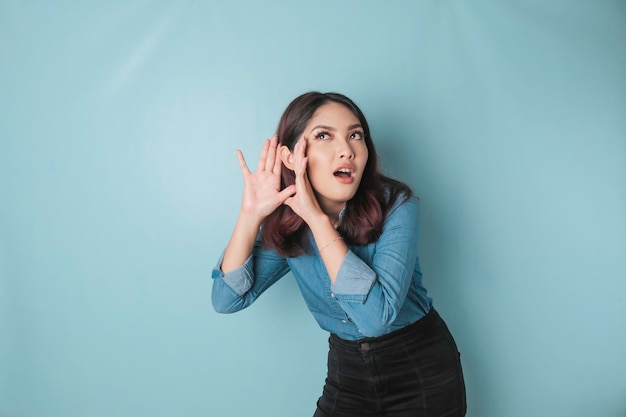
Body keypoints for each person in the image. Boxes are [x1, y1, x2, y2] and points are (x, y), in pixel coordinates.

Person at [211, 92, 466, 416]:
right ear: (290, 157)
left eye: (355, 135)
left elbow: (375, 318)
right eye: (323, 136)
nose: (346, 149)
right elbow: (225, 299)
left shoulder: (398, 205)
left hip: (418, 370)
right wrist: (250, 216)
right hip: (348, 373)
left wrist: (318, 221)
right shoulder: (289, 223)